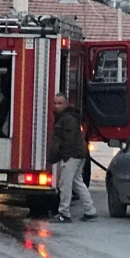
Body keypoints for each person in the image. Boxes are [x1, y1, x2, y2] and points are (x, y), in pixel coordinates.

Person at [48, 93, 97, 223]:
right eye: (55, 103)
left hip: (72, 155)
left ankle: (64, 213)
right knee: (77, 182)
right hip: (79, 154)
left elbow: (68, 140)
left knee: (65, 184)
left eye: (60, 103)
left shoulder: (67, 119)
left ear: (66, 104)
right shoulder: (69, 117)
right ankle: (90, 210)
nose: (57, 106)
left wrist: (65, 157)